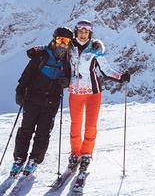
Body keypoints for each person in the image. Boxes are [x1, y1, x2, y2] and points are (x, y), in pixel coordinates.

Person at [66, 19, 130, 190]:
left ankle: (86, 153)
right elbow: (60, 61)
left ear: (90, 34)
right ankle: (75, 153)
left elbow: (106, 70)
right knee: (75, 125)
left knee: (90, 126)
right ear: (76, 32)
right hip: (75, 92)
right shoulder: (69, 48)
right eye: (80, 31)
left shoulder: (95, 49)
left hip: (93, 93)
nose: (83, 34)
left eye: (86, 32)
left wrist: (120, 77)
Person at [10, 26, 73, 177]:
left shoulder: (68, 61)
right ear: (54, 39)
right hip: (32, 99)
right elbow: (27, 74)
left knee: (43, 133)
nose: (62, 44)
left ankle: (34, 160)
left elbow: (71, 79)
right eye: (60, 40)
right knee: (26, 129)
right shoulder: (42, 56)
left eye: (66, 41)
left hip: (51, 102)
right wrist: (20, 90)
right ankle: (19, 159)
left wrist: (66, 82)